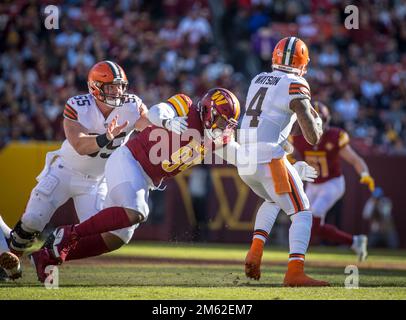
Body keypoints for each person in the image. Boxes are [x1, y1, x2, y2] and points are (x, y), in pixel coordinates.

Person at [29, 88, 243, 283]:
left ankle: (48, 255)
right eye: (222, 122)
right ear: (208, 111)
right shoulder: (186, 106)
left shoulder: (218, 138)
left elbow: (239, 155)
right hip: (129, 160)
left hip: (145, 179)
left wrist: (266, 161)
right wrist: (168, 122)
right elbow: (156, 112)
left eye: (227, 125)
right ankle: (67, 234)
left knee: (117, 238)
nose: (223, 128)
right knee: (137, 211)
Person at [5, 60, 149, 279]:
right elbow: (80, 144)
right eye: (111, 86)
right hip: (65, 171)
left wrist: (166, 122)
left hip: (96, 181)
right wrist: (106, 137)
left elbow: (149, 128)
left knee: (100, 232)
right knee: (33, 219)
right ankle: (10, 263)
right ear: (95, 87)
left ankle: (48, 253)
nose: (117, 91)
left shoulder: (132, 105)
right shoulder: (78, 104)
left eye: (120, 86)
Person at [239, 36, 329, 286]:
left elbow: (274, 122)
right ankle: (295, 272)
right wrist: (317, 123)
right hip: (268, 156)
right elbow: (312, 137)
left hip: (244, 158)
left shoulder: (258, 79)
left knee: (272, 199)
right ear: (302, 62)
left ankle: (255, 252)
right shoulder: (295, 82)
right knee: (302, 211)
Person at [291, 102, 374, 261]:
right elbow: (288, 154)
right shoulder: (298, 138)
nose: (313, 123)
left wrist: (365, 174)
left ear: (325, 120)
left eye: (317, 119)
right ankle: (354, 241)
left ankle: (297, 256)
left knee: (313, 216)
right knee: (307, 222)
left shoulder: (335, 136)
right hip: (312, 184)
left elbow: (355, 159)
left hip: (332, 183)